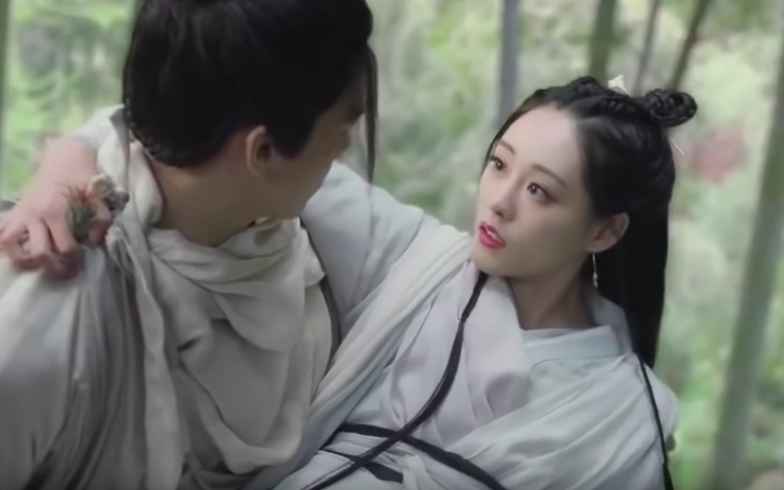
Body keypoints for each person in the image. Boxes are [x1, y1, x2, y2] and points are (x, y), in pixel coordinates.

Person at [2, 73, 697, 489]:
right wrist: (61, 176)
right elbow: (189, 146)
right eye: (499, 164)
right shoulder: (414, 259)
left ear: (603, 231)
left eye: (540, 191)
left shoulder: (621, 421)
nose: (499, 202)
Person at [0, 1, 439, 488]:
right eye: (340, 133)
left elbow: (449, 267)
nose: (344, 150)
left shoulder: (303, 228)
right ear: (263, 151)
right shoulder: (47, 328)